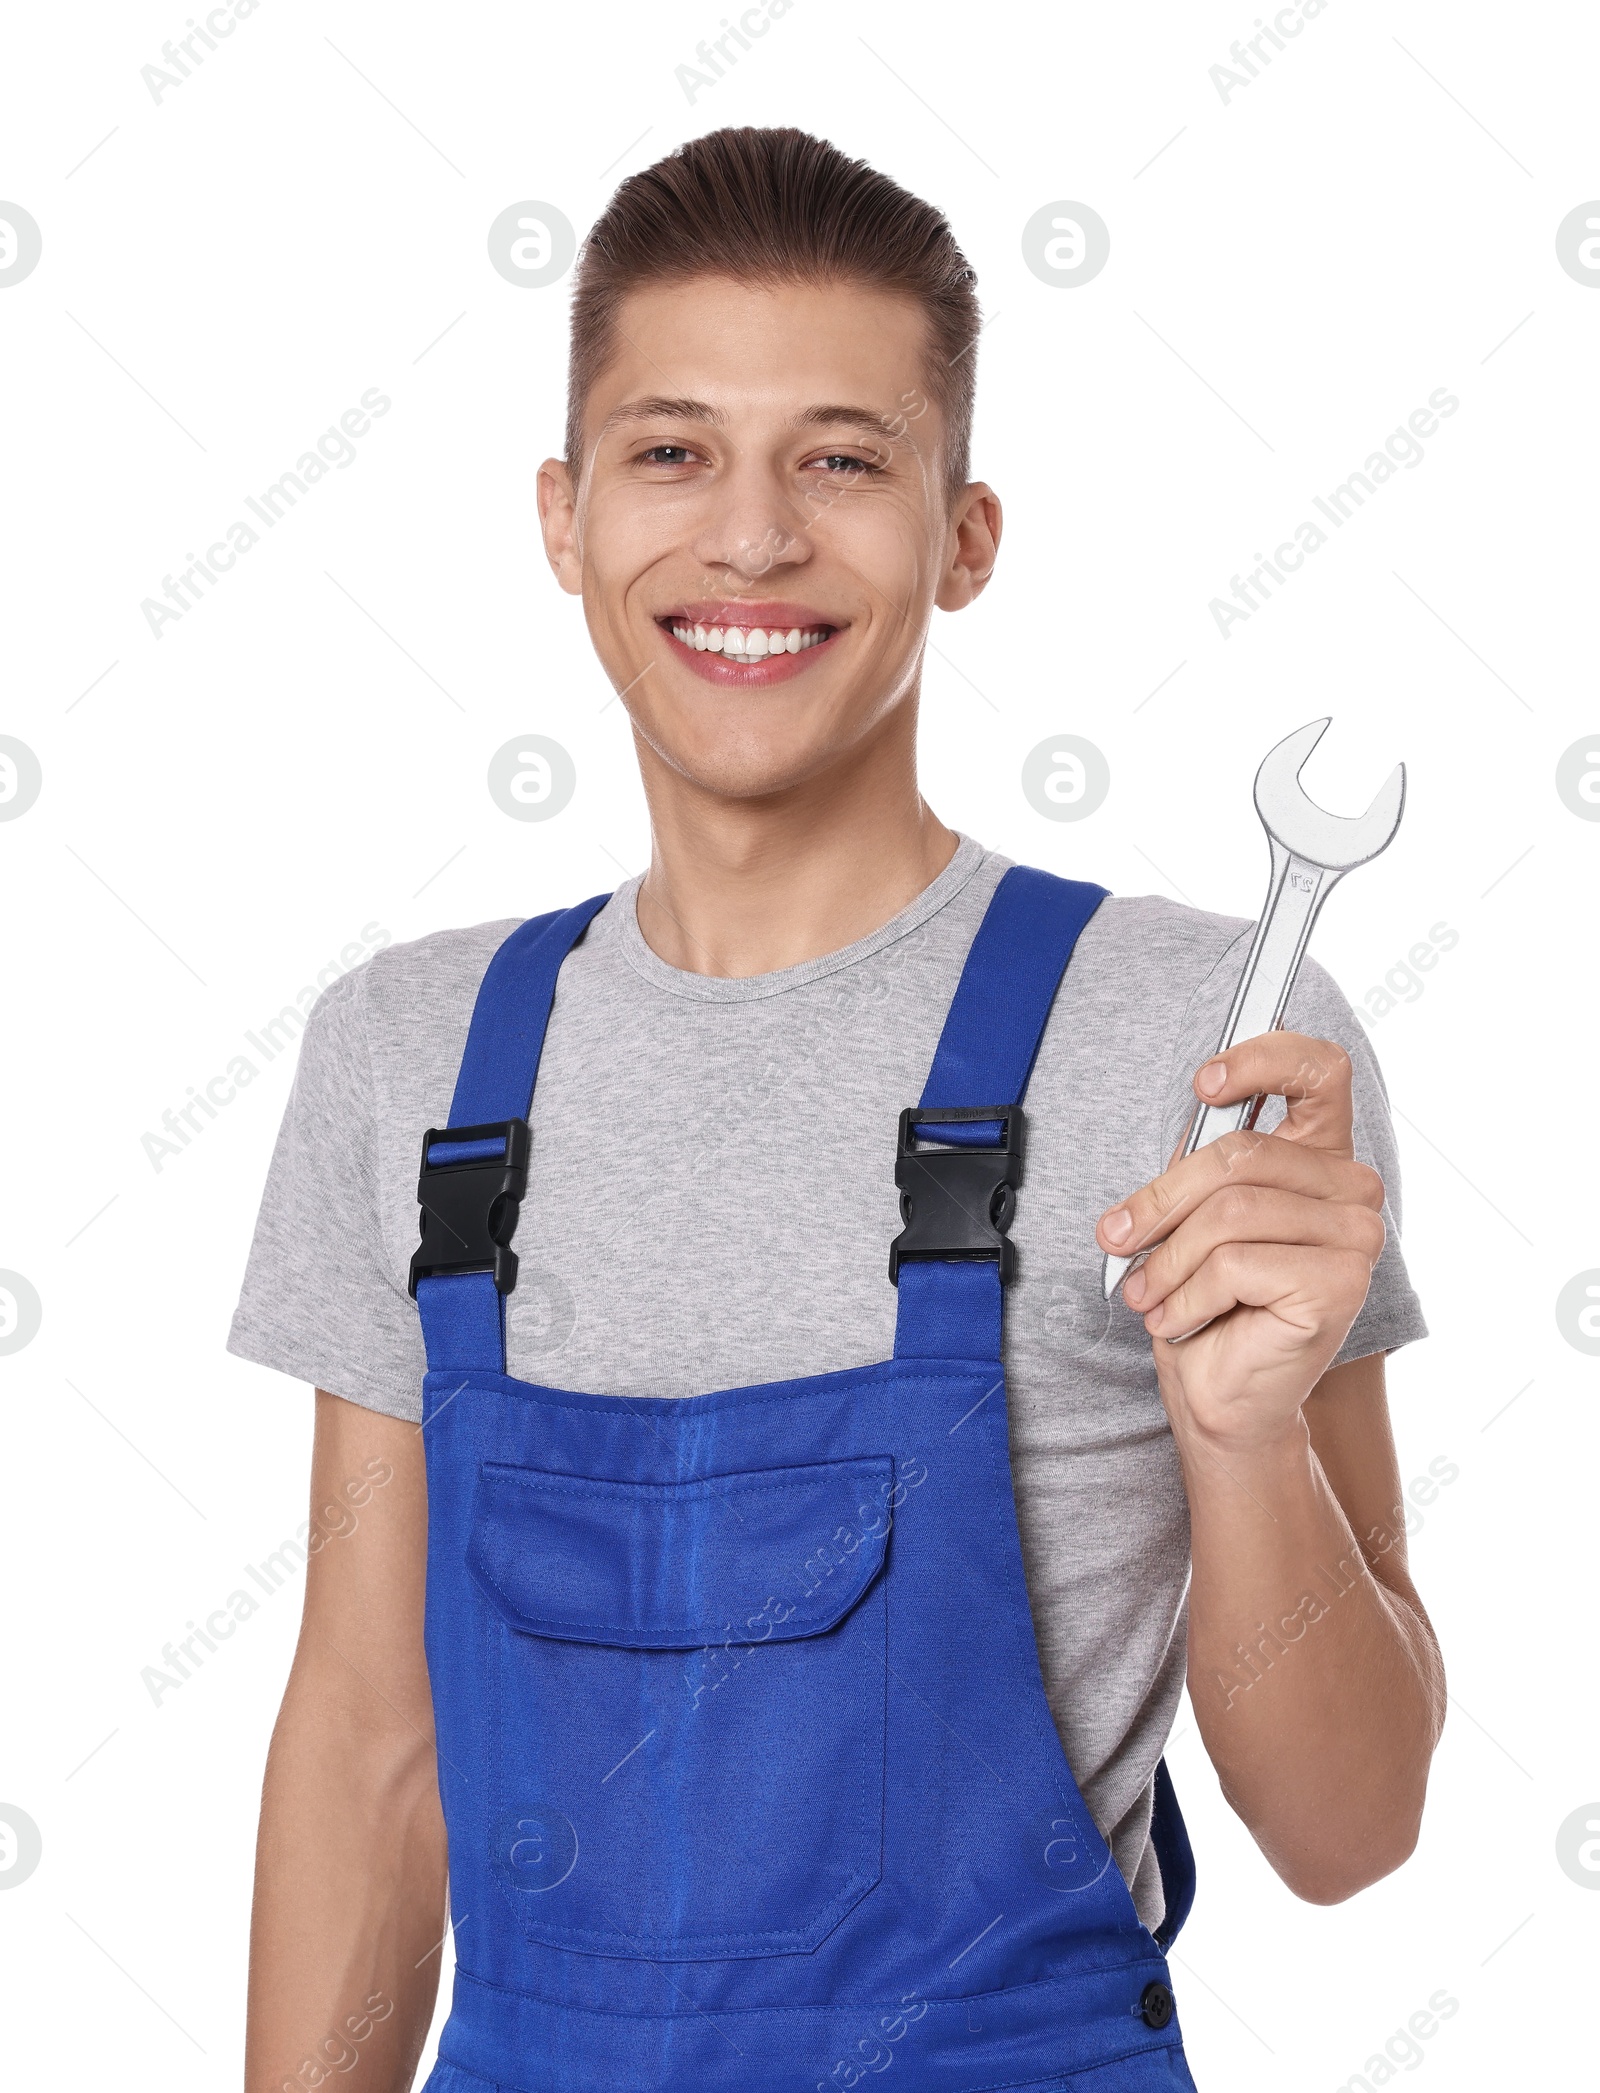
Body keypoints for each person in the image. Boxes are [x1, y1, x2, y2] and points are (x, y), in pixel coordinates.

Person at [229, 127, 1444, 2093]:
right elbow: (368, 1753)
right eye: (671, 449)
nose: (751, 540)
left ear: (963, 534)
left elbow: (1350, 1829)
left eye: (843, 459)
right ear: (562, 515)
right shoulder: (412, 1058)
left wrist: (1236, 1435)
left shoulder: (1199, 1043)